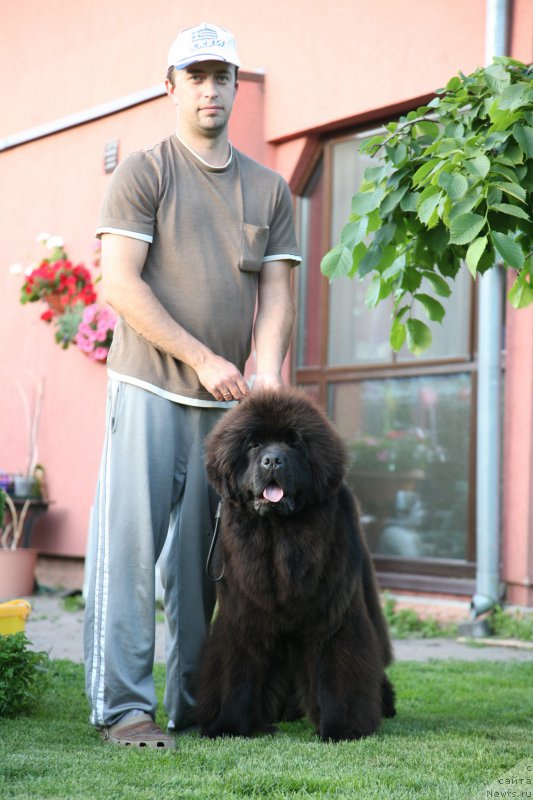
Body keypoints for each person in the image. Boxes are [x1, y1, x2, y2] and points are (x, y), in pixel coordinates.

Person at [83, 22, 301, 748]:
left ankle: (192, 701)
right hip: (148, 389)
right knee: (129, 557)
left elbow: (278, 292)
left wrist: (266, 369)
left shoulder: (269, 188)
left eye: (222, 77)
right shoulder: (144, 172)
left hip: (226, 414)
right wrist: (204, 357)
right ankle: (124, 710)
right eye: (196, 77)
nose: (211, 89)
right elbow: (120, 284)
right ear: (171, 87)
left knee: (205, 567)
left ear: (237, 87)